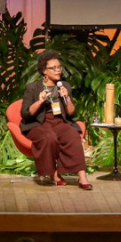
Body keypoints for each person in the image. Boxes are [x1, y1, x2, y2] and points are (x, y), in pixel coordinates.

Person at [21, 50, 92, 190]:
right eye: (53, 68)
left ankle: (82, 177)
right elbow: (25, 113)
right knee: (49, 137)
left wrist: (67, 98)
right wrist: (39, 101)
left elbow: (71, 113)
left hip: (58, 121)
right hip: (38, 123)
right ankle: (53, 174)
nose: (58, 70)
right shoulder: (33, 88)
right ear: (44, 71)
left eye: (59, 67)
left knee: (72, 136)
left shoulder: (64, 86)